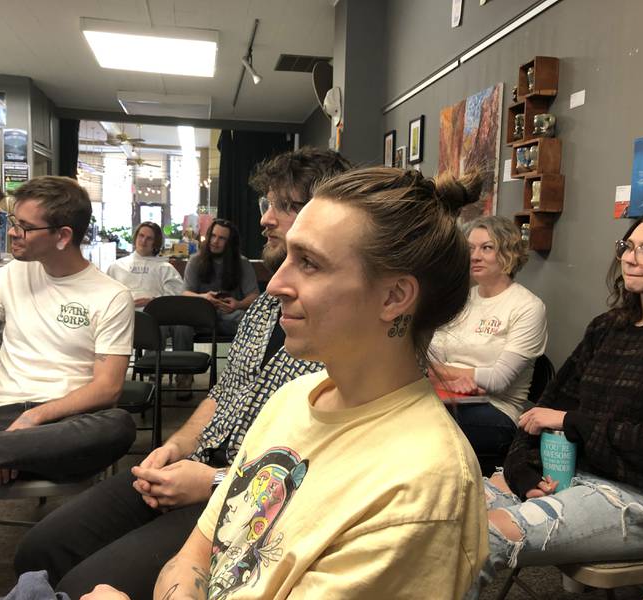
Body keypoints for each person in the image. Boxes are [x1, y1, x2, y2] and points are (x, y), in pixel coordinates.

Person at [83, 165, 489, 600]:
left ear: (394, 297)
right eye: (290, 257)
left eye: (310, 264)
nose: (275, 284)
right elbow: (198, 553)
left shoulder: (420, 488)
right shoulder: (294, 398)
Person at [14, 147, 352, 600]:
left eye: (282, 206)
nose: (265, 219)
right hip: (197, 466)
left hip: (255, 500)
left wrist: (215, 482)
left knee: (84, 585)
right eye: (265, 205)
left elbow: (336, 468)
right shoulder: (269, 302)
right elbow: (222, 395)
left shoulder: (348, 324)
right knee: (39, 550)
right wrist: (173, 447)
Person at [467, 210, 643, 599]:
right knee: (444, 509)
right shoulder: (608, 327)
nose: (629, 257)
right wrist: (523, 471)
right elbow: (541, 410)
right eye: (628, 246)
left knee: (481, 536)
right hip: (571, 476)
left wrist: (572, 422)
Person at [0, 176, 136, 595]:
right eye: (13, 221)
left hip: (67, 421)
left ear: (63, 236)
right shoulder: (12, 276)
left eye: (24, 227)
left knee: (119, 425)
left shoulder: (110, 296)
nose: (12, 232)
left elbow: (107, 388)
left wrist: (33, 419)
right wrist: (9, 436)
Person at [429, 215, 547, 458]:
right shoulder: (462, 299)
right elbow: (426, 358)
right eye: (470, 248)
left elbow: (497, 379)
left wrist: (443, 373)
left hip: (497, 411)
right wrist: (449, 381)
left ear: (509, 253)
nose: (475, 256)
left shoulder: (527, 307)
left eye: (487, 248)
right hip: (444, 396)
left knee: (417, 424)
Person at [177, 218, 258, 338]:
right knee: (181, 324)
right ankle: (184, 357)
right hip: (202, 314)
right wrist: (204, 297)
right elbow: (185, 293)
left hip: (230, 314)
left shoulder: (242, 263)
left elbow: (254, 296)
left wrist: (238, 304)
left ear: (230, 243)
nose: (215, 241)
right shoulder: (195, 260)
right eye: (213, 236)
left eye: (221, 238)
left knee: (249, 321)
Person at [106, 221, 184, 308]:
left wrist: (153, 302)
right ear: (136, 237)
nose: (144, 241)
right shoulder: (116, 266)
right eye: (141, 236)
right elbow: (106, 297)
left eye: (149, 238)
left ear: (156, 242)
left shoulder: (166, 269)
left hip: (154, 318)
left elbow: (176, 300)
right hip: (122, 316)